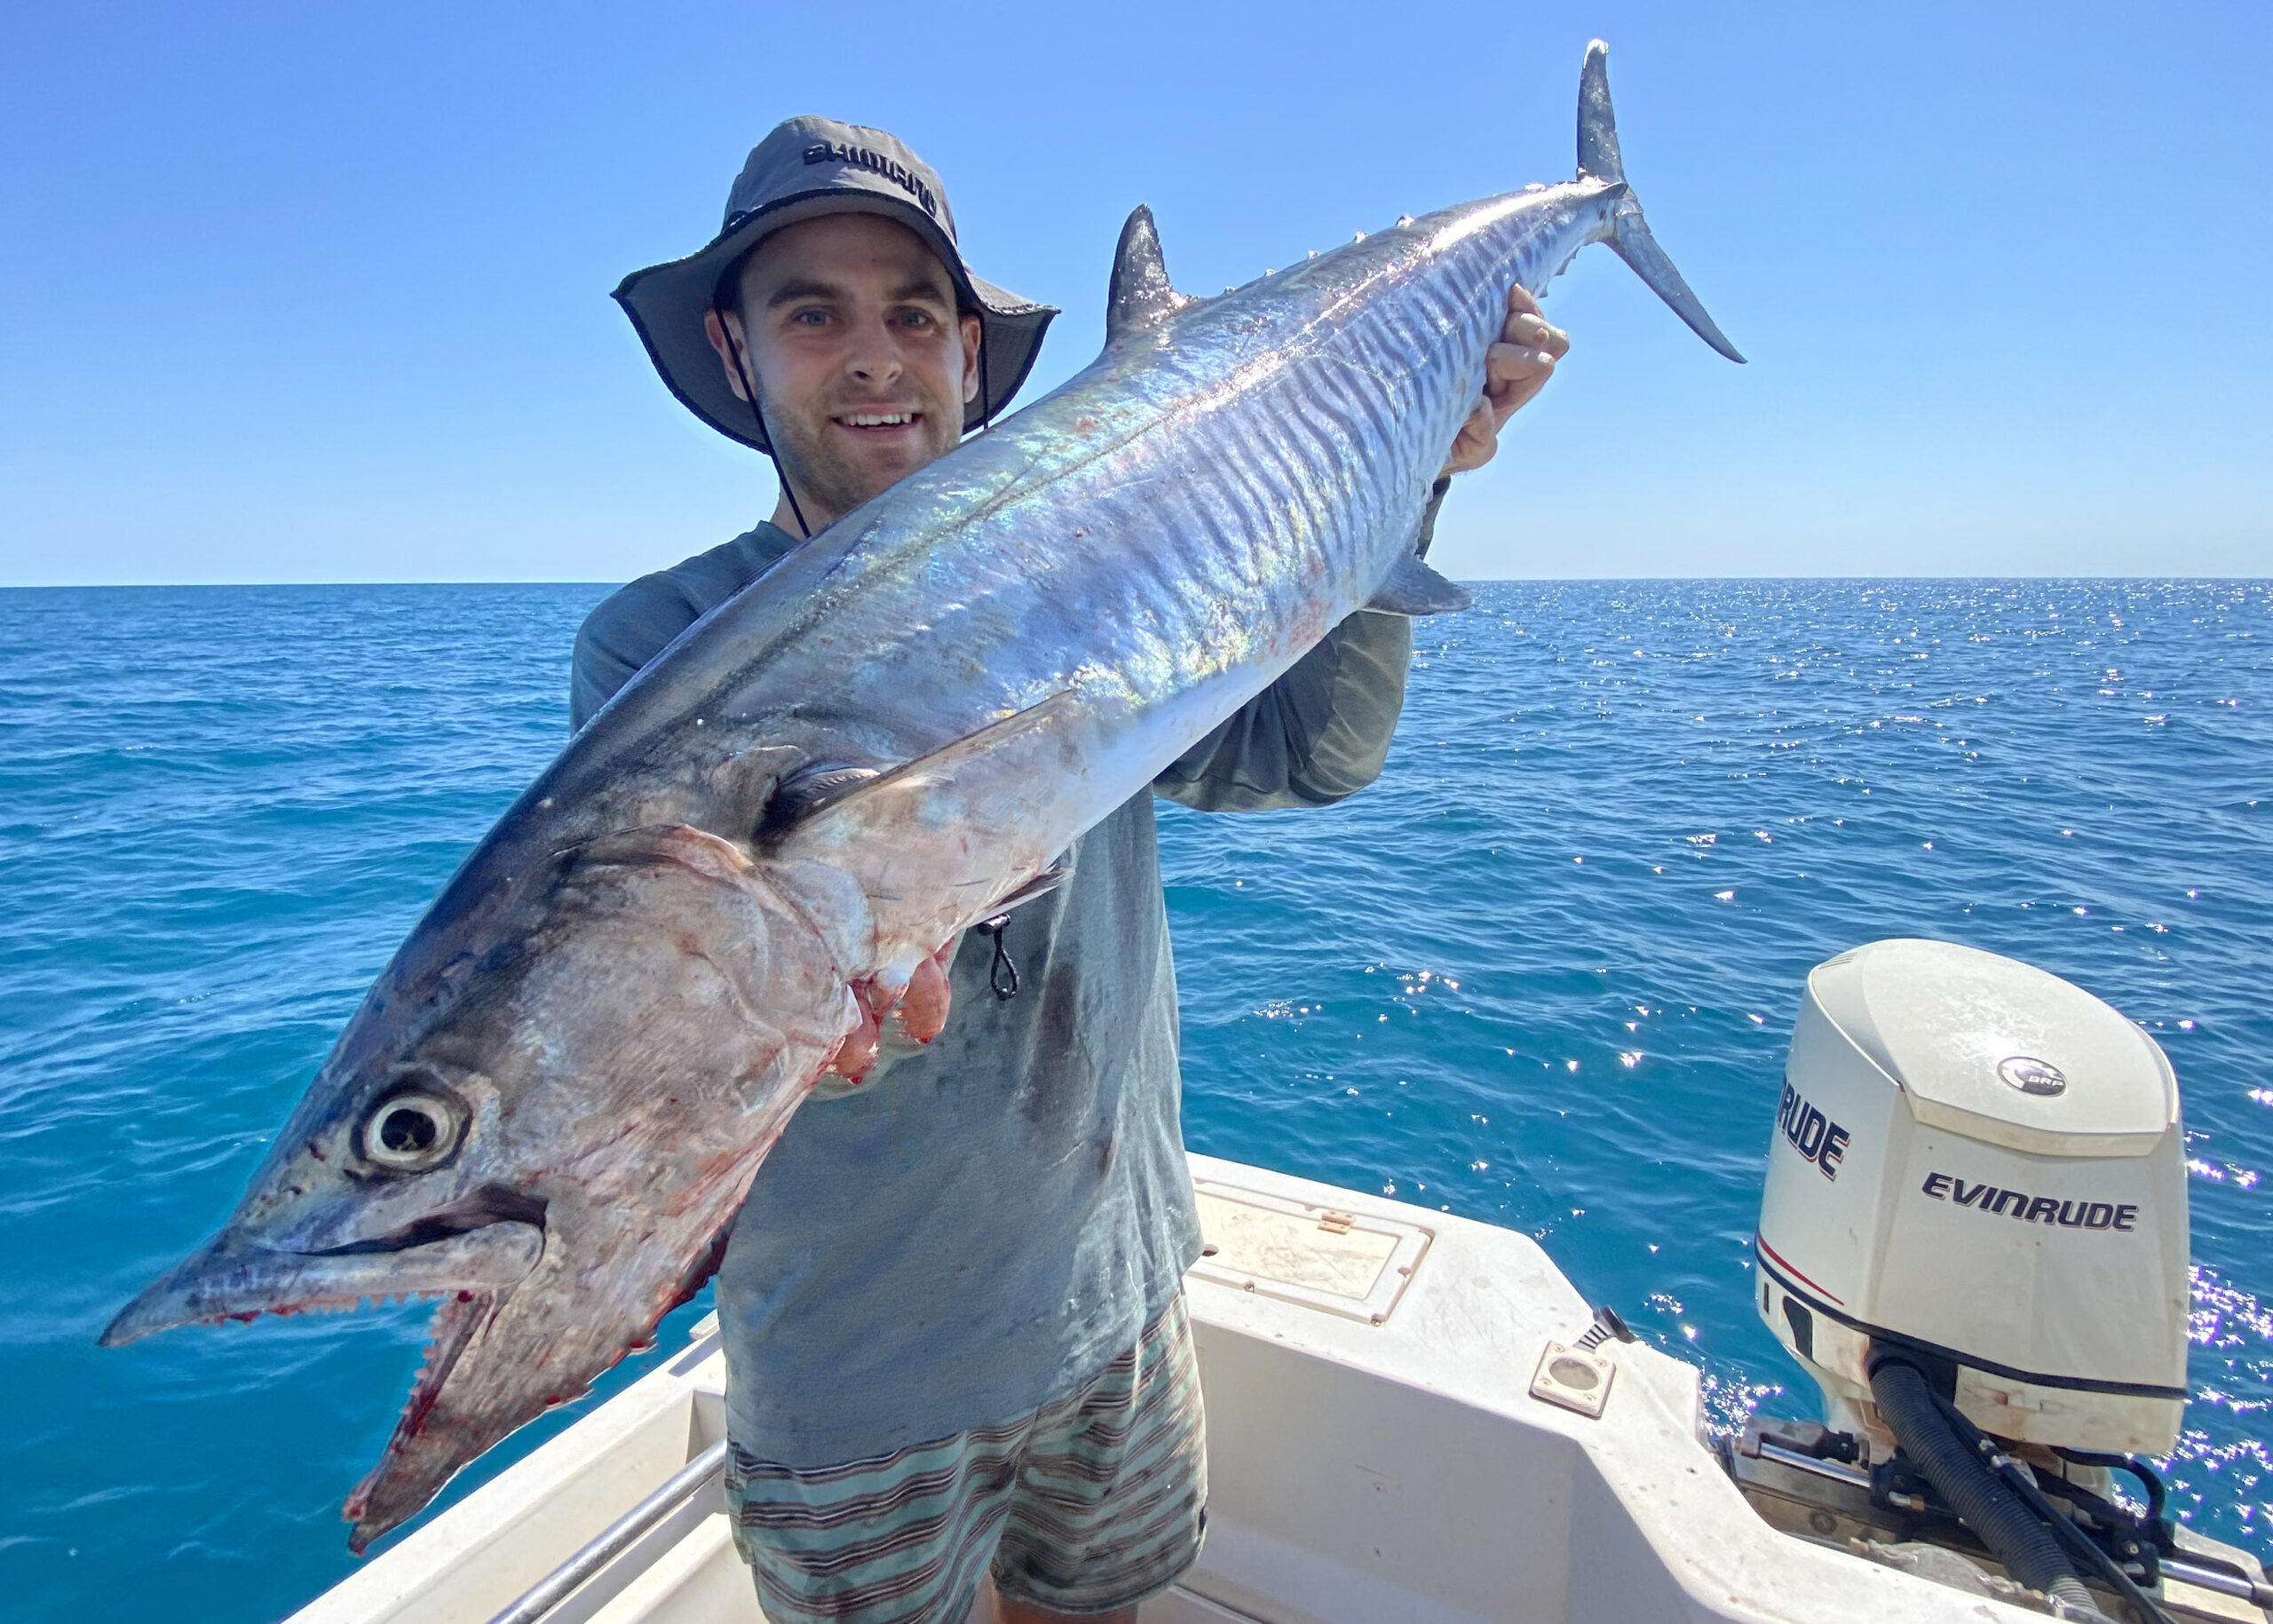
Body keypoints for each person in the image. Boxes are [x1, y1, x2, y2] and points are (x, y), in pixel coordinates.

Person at [588, 118, 1567, 1624]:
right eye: (812, 312)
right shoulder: (660, 646)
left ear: (970, 358)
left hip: (1111, 1294)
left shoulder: (1092, 569)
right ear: (734, 352)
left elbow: (1308, 755)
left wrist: (1407, 477)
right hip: (853, 1372)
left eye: (915, 314)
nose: (874, 357)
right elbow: (686, 998)